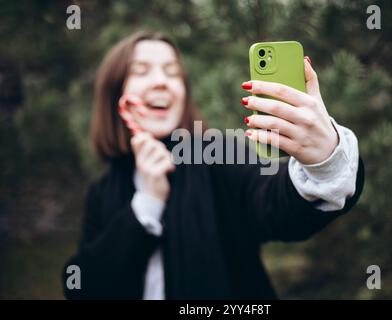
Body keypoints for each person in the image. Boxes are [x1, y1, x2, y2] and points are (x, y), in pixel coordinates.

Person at [62, 30, 364, 299]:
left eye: (172, 72)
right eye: (141, 71)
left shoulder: (215, 155)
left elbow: (272, 199)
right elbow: (83, 286)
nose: (160, 81)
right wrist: (145, 207)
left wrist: (325, 158)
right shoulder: (102, 192)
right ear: (116, 93)